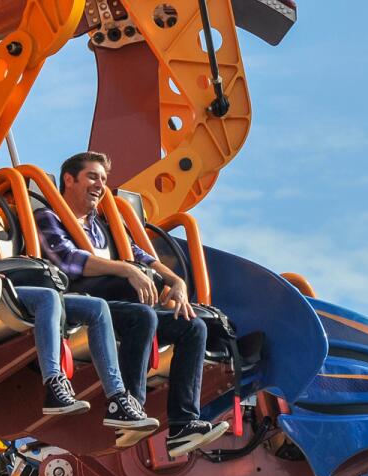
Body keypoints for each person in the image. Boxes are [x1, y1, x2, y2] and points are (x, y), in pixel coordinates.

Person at [0, 146, 157, 435]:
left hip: (10, 289)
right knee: (48, 297)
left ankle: (119, 399)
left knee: (97, 307)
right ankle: (54, 384)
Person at [34, 151, 228, 457]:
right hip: (82, 304)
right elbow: (68, 261)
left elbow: (141, 255)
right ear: (69, 180)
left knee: (193, 328)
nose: (100, 185)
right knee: (142, 317)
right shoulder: (49, 216)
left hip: (120, 307)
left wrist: (175, 281)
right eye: (92, 177)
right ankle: (128, 407)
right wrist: (124, 270)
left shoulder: (104, 225)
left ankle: (183, 425)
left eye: (103, 179)